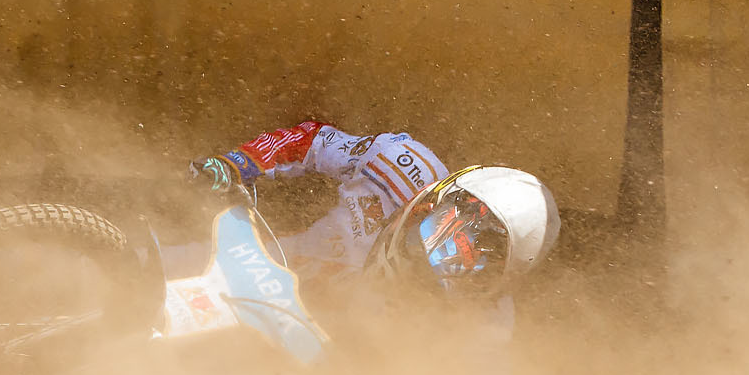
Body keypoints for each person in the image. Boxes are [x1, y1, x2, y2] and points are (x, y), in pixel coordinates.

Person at [189, 119, 559, 298]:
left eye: (464, 266)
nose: (432, 258)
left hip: (329, 365)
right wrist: (239, 163)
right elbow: (313, 140)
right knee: (162, 263)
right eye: (438, 234)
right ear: (437, 198)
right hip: (266, 267)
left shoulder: (487, 328)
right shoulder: (400, 162)